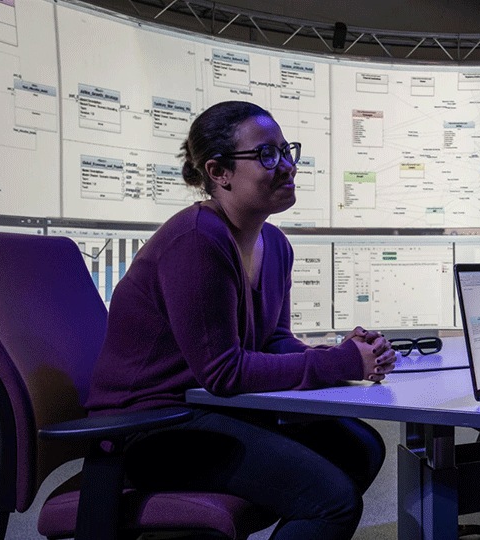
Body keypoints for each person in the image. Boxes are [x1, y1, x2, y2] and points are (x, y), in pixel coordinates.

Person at [86, 101, 397, 539]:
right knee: (331, 501)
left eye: (287, 151)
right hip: (150, 426)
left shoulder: (275, 243)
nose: (288, 166)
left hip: (209, 409)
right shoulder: (197, 240)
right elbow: (224, 372)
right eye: (268, 155)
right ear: (219, 172)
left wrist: (347, 353)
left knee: (360, 449)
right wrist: (343, 364)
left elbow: (272, 340)